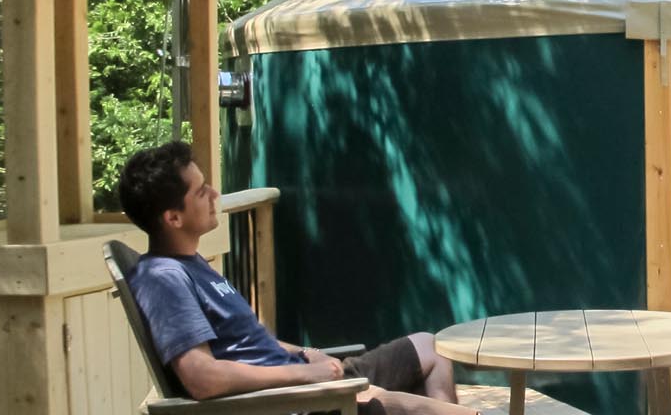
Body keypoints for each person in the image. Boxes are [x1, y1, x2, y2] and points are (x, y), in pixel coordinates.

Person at [117, 141, 463, 412]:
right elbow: (201, 378)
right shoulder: (164, 279)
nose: (215, 195)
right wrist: (305, 375)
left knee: (431, 347)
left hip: (307, 382)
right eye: (200, 191)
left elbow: (251, 343)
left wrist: (310, 354)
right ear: (173, 218)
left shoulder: (193, 263)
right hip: (294, 403)